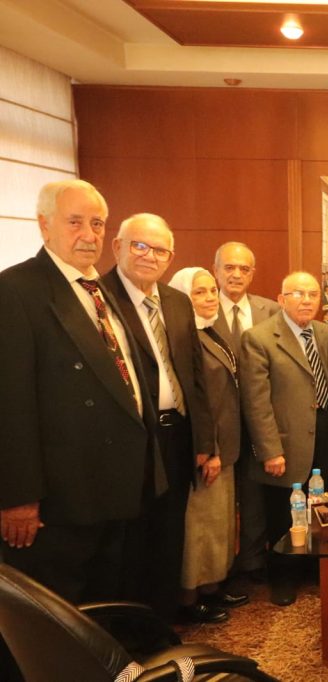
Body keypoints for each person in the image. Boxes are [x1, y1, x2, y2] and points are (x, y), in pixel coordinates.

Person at [0, 180, 160, 606]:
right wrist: (18, 499)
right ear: (44, 225)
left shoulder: (98, 287)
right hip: (61, 499)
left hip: (117, 487)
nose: (89, 235)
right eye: (75, 222)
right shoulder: (16, 290)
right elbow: (10, 404)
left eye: (97, 223)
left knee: (108, 605)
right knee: (60, 616)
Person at [102, 213, 215, 622]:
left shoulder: (176, 301)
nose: (150, 256)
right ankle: (130, 630)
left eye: (160, 250)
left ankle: (163, 625)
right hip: (132, 441)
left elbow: (196, 377)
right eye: (140, 246)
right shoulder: (99, 298)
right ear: (117, 246)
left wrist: (204, 442)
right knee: (131, 541)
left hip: (178, 436)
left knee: (170, 536)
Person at [240, 271, 328, 605]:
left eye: (313, 294)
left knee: (321, 506)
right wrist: (270, 450)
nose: (307, 300)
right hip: (285, 441)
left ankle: (315, 570)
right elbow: (255, 402)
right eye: (298, 294)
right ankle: (283, 578)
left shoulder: (324, 333)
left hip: (325, 431)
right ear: (281, 299)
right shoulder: (259, 338)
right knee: (283, 514)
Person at [168, 267, 250, 624]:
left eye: (212, 291)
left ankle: (213, 587)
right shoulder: (183, 340)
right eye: (199, 292)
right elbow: (197, 402)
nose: (209, 297)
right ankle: (190, 599)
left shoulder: (211, 331)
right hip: (206, 450)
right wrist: (211, 450)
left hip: (227, 446)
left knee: (219, 525)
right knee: (199, 529)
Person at [211, 241, 280, 584]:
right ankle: (218, 569)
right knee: (219, 501)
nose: (236, 274)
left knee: (255, 495)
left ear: (252, 274)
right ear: (216, 271)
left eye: (244, 269)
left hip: (261, 418)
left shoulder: (271, 310)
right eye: (229, 267)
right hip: (218, 422)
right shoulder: (201, 309)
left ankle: (252, 563)